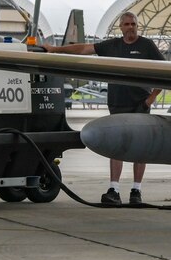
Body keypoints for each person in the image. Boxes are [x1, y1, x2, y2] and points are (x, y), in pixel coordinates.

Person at [43, 11, 163, 205]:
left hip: (139, 104)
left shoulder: (147, 46)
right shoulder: (112, 46)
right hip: (117, 103)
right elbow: (84, 49)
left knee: (140, 147)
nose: (130, 27)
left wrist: (150, 100)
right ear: (121, 27)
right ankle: (113, 189)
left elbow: (167, 71)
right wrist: (55, 50)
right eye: (127, 24)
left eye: (133, 24)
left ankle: (136, 191)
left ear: (137, 26)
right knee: (117, 146)